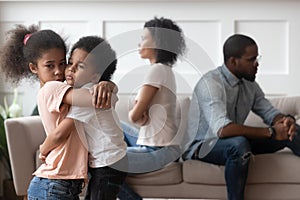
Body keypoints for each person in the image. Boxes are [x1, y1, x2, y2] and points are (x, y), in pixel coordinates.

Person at [0, 24, 113, 199]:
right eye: (49, 66)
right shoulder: (52, 88)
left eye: (62, 63)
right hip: (54, 185)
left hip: (62, 185)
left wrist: (107, 84)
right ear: (33, 68)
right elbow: (93, 99)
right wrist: (107, 84)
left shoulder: (63, 89)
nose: (59, 71)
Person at [182, 34, 300, 200]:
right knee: (238, 145)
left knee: (293, 131)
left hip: (234, 140)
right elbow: (222, 130)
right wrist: (271, 132)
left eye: (257, 58)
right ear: (233, 61)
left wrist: (285, 121)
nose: (257, 64)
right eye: (251, 59)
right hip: (202, 146)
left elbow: (269, 112)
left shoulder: (249, 84)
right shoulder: (210, 84)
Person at [41, 35, 137, 200]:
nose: (71, 69)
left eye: (81, 66)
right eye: (70, 63)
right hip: (110, 160)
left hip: (108, 162)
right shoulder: (81, 90)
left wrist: (43, 149)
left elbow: (59, 134)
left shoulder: (89, 95)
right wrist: (111, 86)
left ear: (95, 77)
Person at [117, 17, 186, 199]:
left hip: (159, 150)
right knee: (117, 124)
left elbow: (135, 116)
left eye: (143, 38)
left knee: (101, 160)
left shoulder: (156, 71)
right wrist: (139, 112)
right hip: (153, 144)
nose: (139, 43)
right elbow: (139, 117)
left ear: (157, 42)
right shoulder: (164, 69)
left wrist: (138, 111)